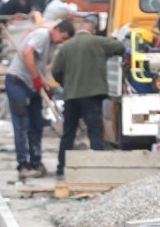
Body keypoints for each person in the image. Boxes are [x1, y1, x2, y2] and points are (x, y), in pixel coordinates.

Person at [52, 18, 126, 177]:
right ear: (92, 31)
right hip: (92, 96)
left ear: (79, 30)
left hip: (71, 96)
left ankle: (61, 168)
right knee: (95, 131)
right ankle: (97, 168)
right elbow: (120, 46)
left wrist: (67, 83)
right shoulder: (97, 41)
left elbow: (55, 71)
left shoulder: (66, 46)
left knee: (68, 133)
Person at [5, 20, 75, 179]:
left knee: (37, 124)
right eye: (62, 37)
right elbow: (27, 53)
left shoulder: (52, 44)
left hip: (32, 85)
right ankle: (23, 164)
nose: (61, 41)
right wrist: (36, 78)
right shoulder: (42, 35)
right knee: (22, 125)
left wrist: (43, 84)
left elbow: (41, 65)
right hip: (18, 82)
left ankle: (35, 162)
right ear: (57, 30)